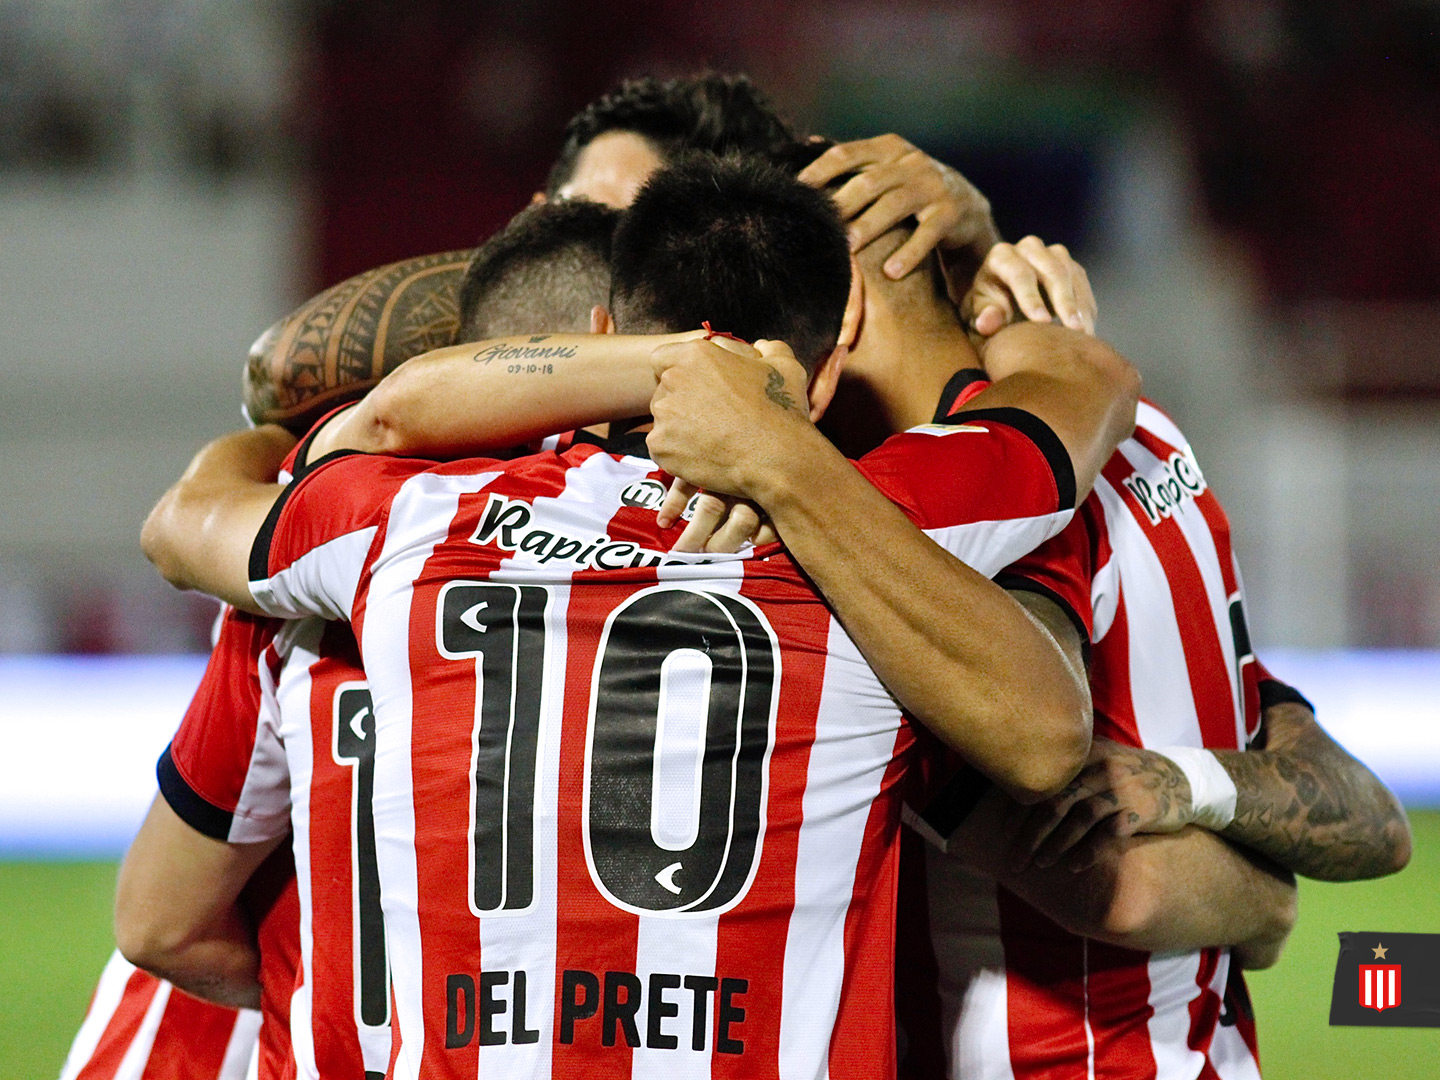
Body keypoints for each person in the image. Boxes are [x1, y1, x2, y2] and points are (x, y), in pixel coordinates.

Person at [135, 153, 1131, 1079]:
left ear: (608, 332)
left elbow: (203, 513)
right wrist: (1005, 277)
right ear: (829, 367)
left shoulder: (411, 521)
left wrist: (273, 429)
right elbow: (1087, 387)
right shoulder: (874, 536)